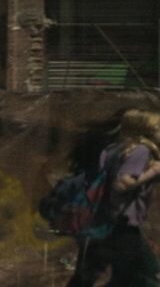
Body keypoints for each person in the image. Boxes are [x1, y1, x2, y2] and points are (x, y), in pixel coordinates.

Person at [60, 109, 160, 287]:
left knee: (86, 275)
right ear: (145, 130)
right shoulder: (141, 151)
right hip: (123, 224)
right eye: (158, 127)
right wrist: (153, 171)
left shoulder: (112, 149)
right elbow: (122, 183)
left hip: (102, 220)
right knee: (142, 275)